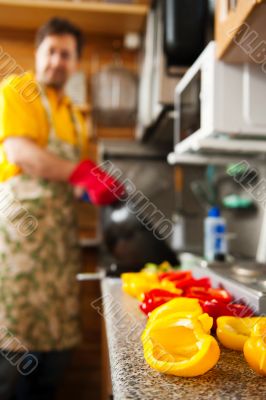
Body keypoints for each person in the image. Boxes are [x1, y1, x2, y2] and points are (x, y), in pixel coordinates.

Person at [0, 17, 122, 400]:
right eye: (50, 51)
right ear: (38, 54)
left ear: (75, 62)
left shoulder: (74, 115)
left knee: (55, 353)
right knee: (13, 355)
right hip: (18, 250)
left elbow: (69, 182)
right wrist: (81, 173)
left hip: (58, 250)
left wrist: (89, 191)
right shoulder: (18, 90)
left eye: (65, 54)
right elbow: (20, 153)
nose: (56, 60)